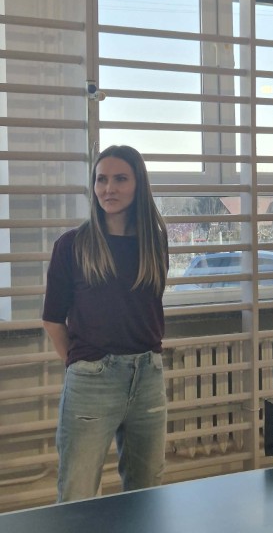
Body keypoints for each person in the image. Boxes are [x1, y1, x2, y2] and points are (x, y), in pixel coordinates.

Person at [42, 145, 169, 502]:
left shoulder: (155, 241)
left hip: (148, 377)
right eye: (101, 180)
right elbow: (52, 319)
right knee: (78, 493)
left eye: (120, 179)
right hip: (92, 379)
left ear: (138, 184)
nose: (108, 188)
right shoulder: (72, 245)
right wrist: (82, 364)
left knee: (147, 490)